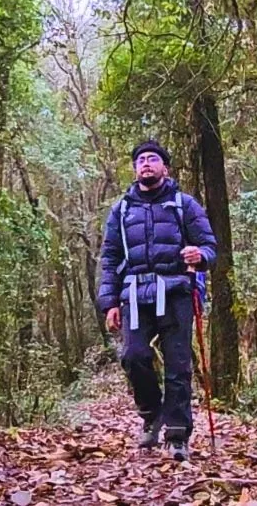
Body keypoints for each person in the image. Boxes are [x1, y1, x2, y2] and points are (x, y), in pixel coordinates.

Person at [97, 139, 217, 461]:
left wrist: (200, 255)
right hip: (134, 295)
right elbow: (109, 258)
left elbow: (209, 245)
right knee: (134, 357)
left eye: (152, 159)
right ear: (135, 169)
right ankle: (151, 414)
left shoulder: (183, 204)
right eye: (140, 161)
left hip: (176, 292)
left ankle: (178, 435)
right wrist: (109, 303)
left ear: (165, 167)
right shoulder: (121, 210)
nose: (146, 164)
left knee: (178, 365)